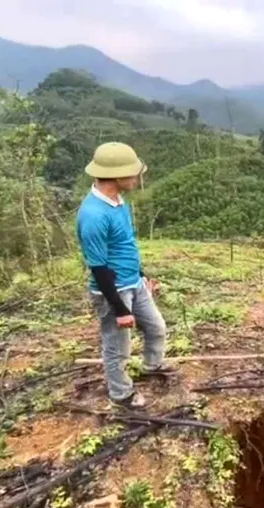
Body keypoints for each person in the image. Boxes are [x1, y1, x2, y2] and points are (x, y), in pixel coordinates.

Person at [76, 142, 174, 409]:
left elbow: (125, 245)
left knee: (156, 328)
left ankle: (153, 364)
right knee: (117, 347)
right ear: (115, 175)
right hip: (113, 290)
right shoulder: (93, 215)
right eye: (132, 173)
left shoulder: (119, 202)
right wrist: (119, 309)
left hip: (133, 283)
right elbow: (98, 267)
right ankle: (121, 393)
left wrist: (141, 275)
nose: (137, 177)